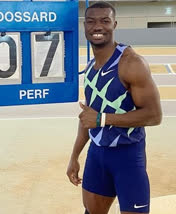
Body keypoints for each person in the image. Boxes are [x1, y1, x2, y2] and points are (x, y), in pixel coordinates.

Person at [66, 1, 162, 214]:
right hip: (97, 155)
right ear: (85, 27)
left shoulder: (131, 63)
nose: (97, 27)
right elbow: (88, 116)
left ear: (115, 24)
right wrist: (74, 156)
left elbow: (154, 115)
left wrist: (102, 119)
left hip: (127, 156)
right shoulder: (90, 68)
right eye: (91, 21)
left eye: (104, 21)